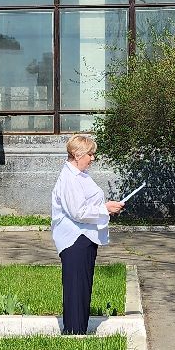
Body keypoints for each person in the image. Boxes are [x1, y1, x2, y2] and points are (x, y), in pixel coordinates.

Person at [52, 135, 125, 335]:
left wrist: (107, 208)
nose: (93, 158)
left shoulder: (79, 175)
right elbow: (78, 212)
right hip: (75, 239)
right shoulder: (69, 178)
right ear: (77, 154)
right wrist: (105, 209)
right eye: (90, 154)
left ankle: (78, 330)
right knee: (76, 288)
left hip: (84, 237)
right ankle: (74, 334)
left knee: (82, 287)